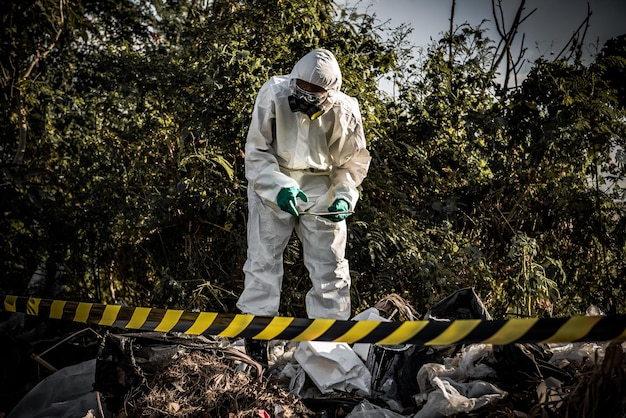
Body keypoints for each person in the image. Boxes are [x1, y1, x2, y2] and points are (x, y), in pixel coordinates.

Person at [237, 48, 371, 330]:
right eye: (302, 88)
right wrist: (279, 187)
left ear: (330, 92)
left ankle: (329, 343)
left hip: (322, 184)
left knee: (330, 268)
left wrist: (344, 196)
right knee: (262, 262)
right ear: (293, 79)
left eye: (315, 92)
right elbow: (257, 151)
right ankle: (255, 339)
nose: (306, 97)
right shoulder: (273, 93)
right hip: (273, 178)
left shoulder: (345, 110)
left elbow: (352, 163)